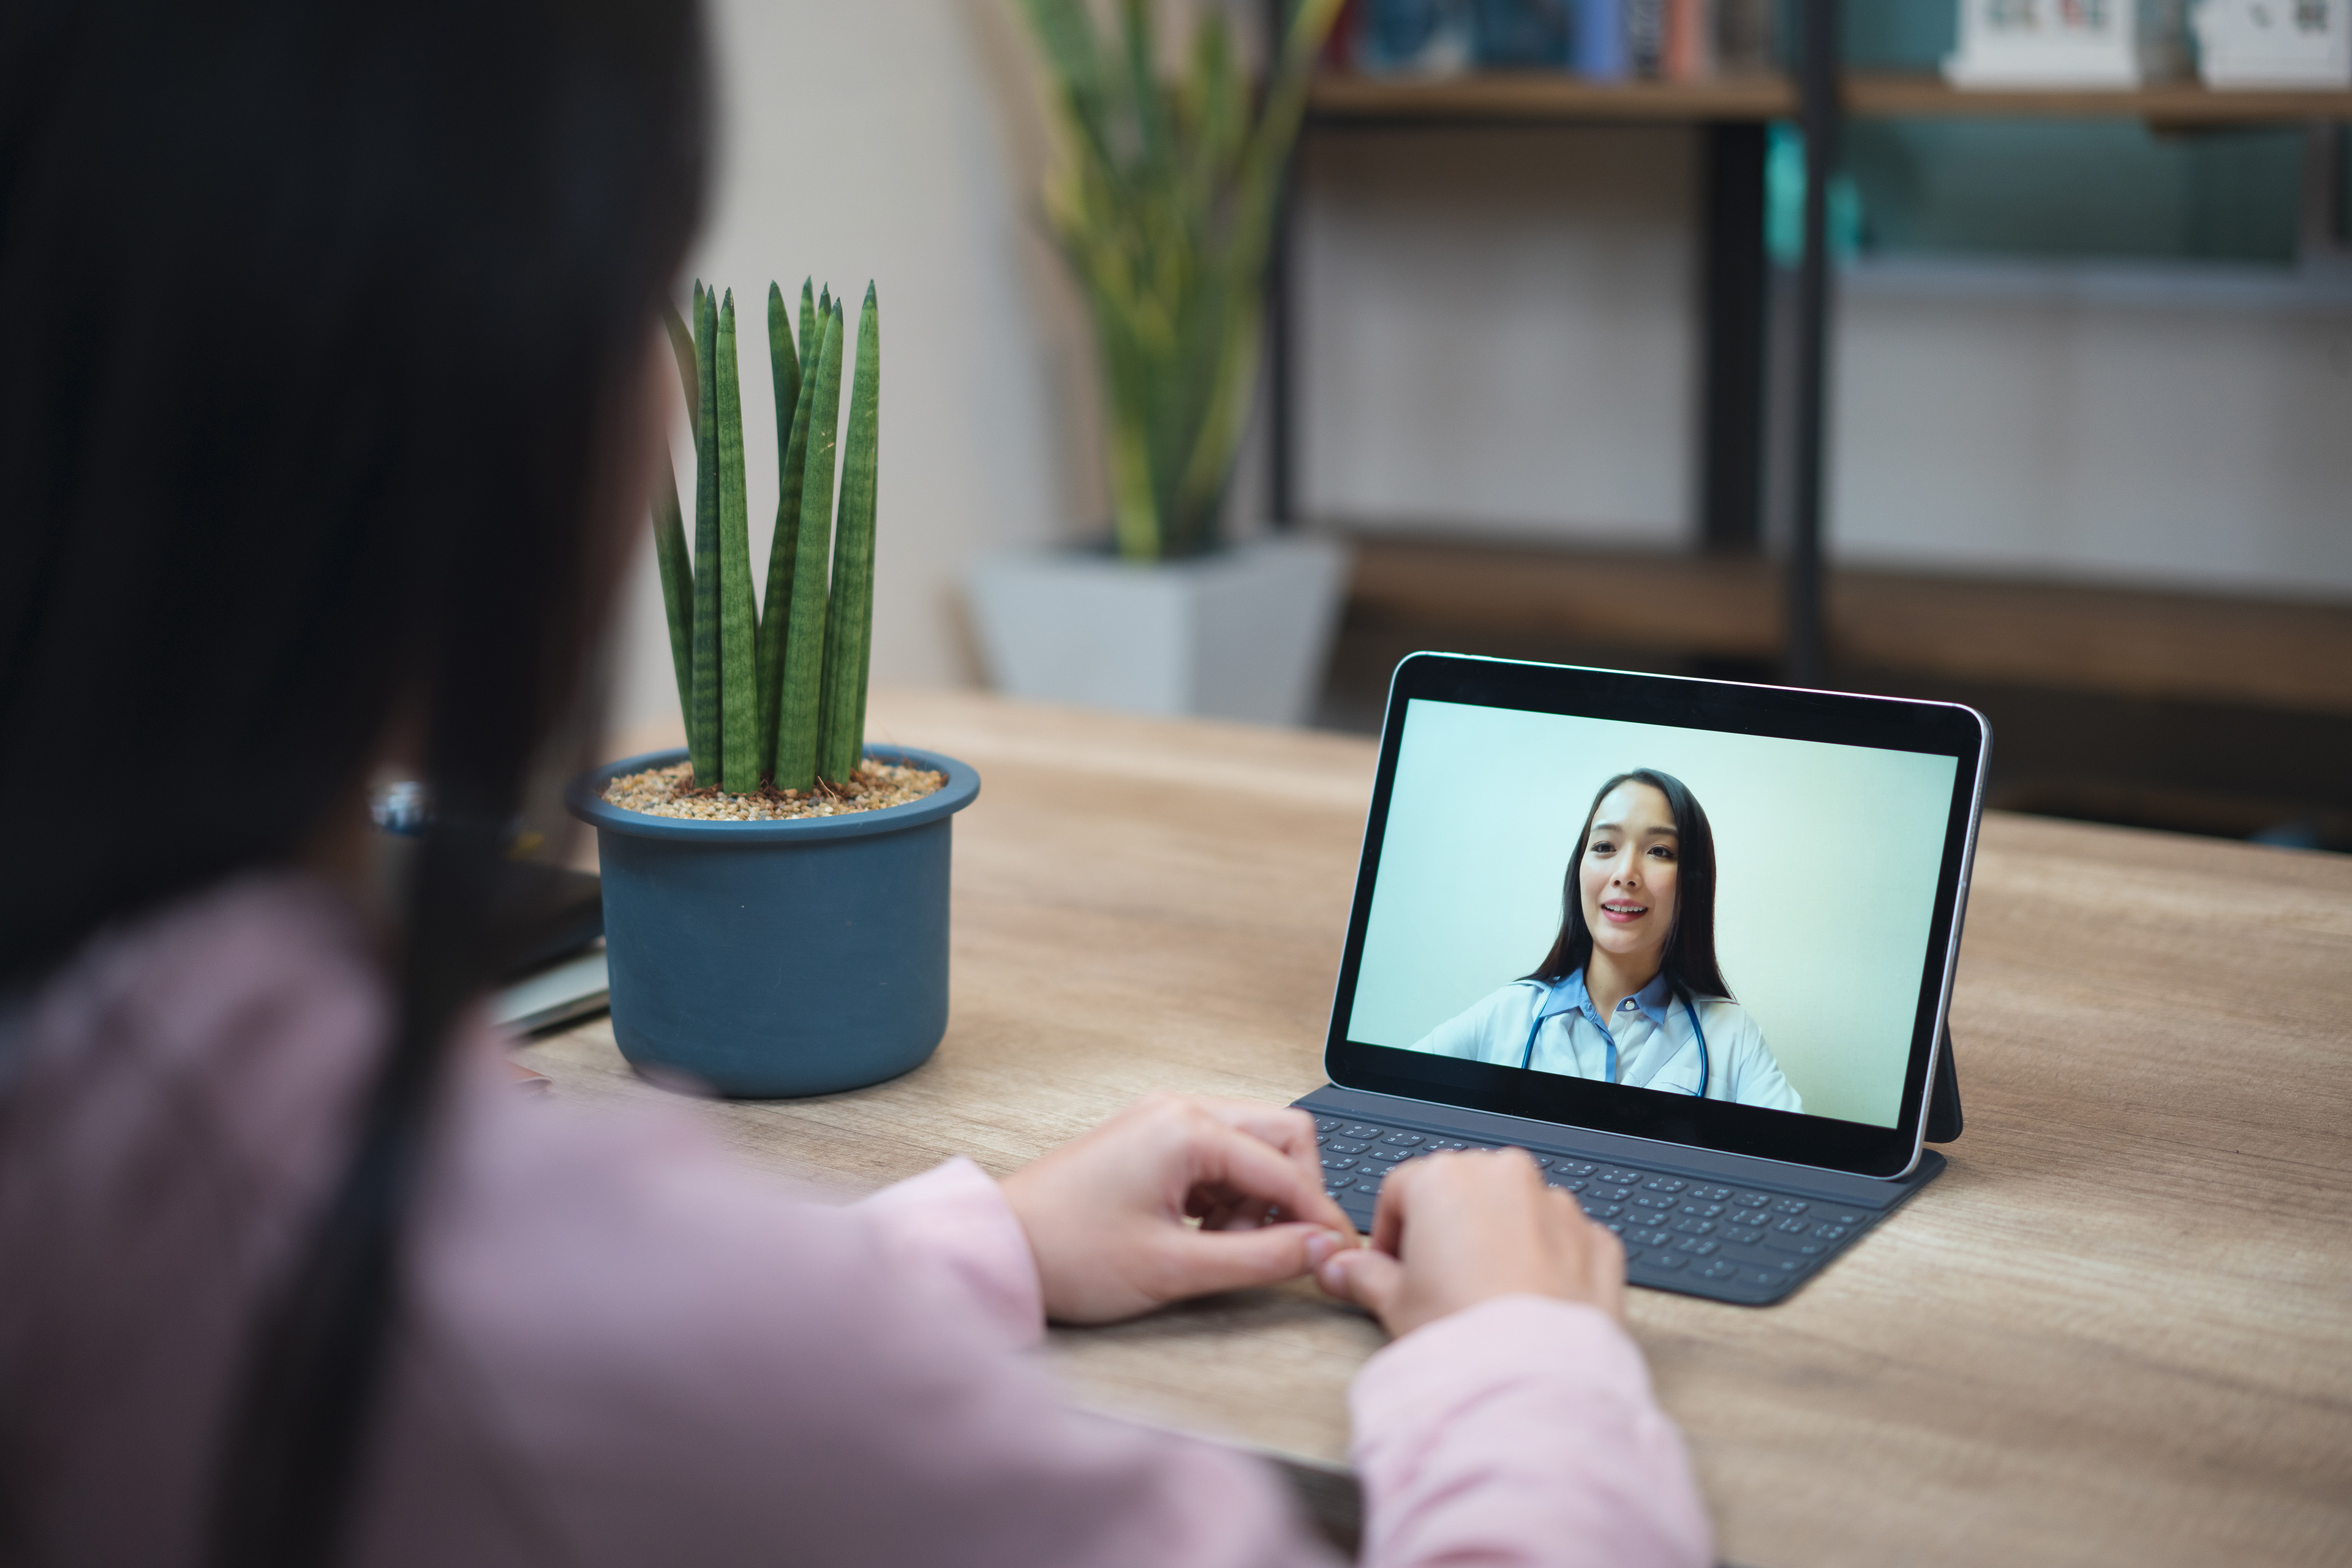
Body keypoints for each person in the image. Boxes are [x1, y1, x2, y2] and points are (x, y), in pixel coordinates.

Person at [0, 2, 1712, 1566]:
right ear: (470, 382)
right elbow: (588, 1352)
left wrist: (980, 1244)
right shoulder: (460, 1291)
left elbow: (615, 1357)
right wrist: (1522, 1357)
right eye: (645, 291)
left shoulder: (100, 1087)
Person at [1414, 771, 1801, 1112]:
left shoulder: (1731, 1035)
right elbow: (1382, 1103)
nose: (1625, 873)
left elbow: (1794, 1174)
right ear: (1578, 870)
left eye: (1659, 851)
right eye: (1604, 847)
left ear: (1692, 883)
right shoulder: (1505, 1016)